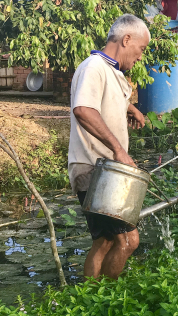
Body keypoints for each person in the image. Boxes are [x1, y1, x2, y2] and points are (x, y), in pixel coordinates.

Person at [68, 14, 149, 280]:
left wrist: (131, 108)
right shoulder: (94, 66)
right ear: (127, 39)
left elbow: (105, 99)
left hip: (104, 170)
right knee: (128, 240)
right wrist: (119, 150)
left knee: (104, 241)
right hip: (95, 168)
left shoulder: (110, 70)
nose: (140, 56)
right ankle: (109, 300)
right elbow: (83, 109)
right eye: (141, 49)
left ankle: (91, 297)